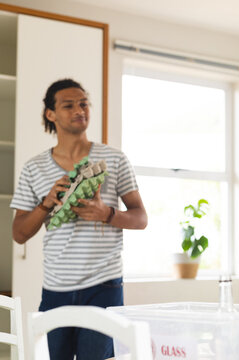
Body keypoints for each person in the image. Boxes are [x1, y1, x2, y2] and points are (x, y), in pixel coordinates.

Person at [10, 79, 147, 359]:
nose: (79, 110)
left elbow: (141, 217)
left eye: (84, 103)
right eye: (68, 105)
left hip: (105, 285)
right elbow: (19, 233)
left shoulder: (115, 159)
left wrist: (107, 213)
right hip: (56, 288)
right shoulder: (34, 168)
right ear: (51, 114)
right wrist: (46, 204)